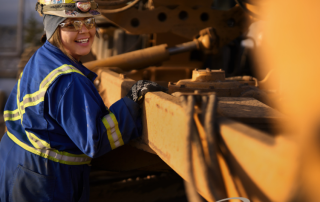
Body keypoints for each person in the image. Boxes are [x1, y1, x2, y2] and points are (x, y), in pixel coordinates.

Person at [0, 1, 167, 201]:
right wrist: (131, 102)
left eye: (88, 21)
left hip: (19, 167)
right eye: (71, 24)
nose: (85, 31)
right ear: (54, 27)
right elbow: (95, 142)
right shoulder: (69, 81)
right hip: (48, 182)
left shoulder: (42, 58)